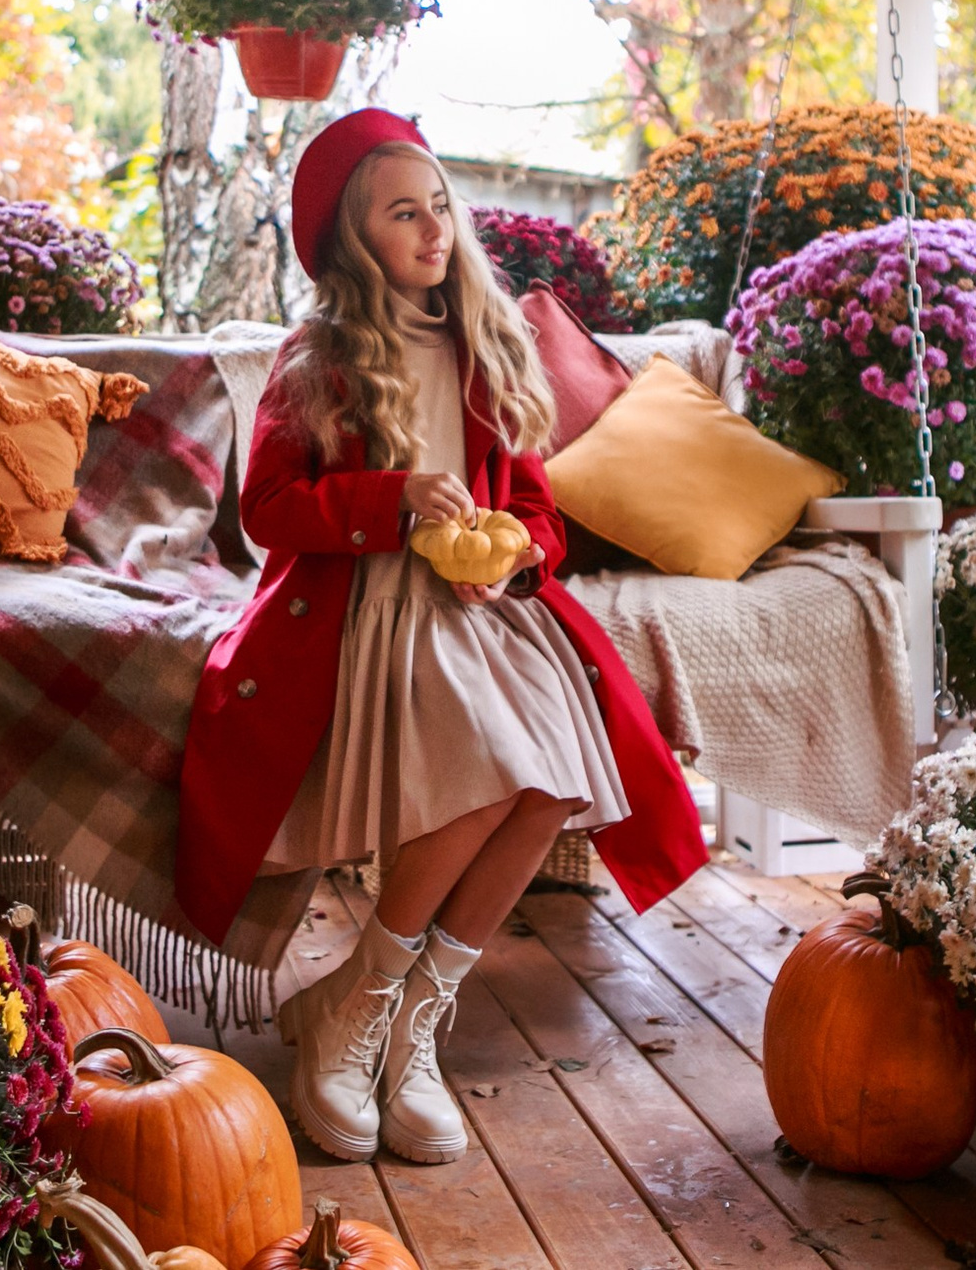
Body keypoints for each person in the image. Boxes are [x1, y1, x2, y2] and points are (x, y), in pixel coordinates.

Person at [176, 107, 704, 1165]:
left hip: (482, 601)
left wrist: (519, 554)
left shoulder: (487, 344)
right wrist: (387, 498)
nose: (433, 230)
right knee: (494, 749)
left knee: (555, 773)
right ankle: (360, 997)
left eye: (441, 208)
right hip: (365, 600)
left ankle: (400, 1016)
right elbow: (270, 507)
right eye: (402, 213)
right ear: (352, 239)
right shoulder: (318, 354)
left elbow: (542, 511)